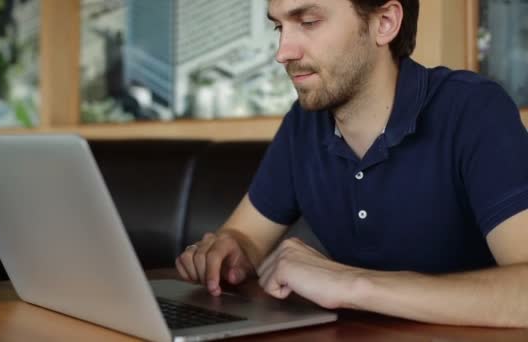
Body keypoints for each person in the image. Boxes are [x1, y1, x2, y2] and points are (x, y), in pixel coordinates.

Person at [176, 0, 528, 328]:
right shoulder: (304, 124)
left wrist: (350, 284)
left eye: (309, 22)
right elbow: (244, 238)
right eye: (278, 28)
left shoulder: (473, 110)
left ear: (385, 23)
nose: (283, 52)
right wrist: (227, 252)